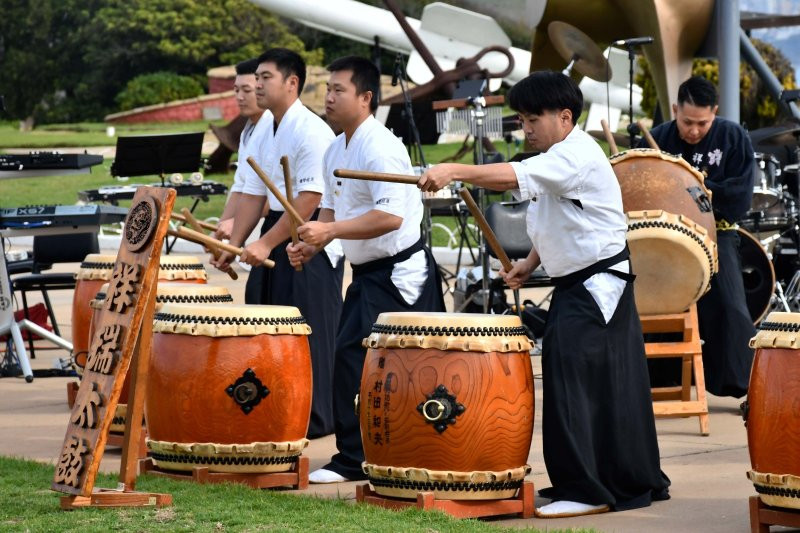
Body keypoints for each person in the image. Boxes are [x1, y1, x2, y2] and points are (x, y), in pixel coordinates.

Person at [417, 71, 669, 517]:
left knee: (574, 385)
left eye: (533, 118)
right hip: (581, 284)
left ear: (565, 116)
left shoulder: (574, 156)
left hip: (596, 285)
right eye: (521, 118)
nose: (525, 127)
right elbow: (558, 219)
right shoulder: (558, 154)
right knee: (589, 384)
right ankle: (593, 479)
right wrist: (529, 265)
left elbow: (514, 176)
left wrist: (454, 169)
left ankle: (588, 490)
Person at [287, 56, 445, 484]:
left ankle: (361, 457)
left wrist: (330, 229)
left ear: (366, 98)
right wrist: (309, 245)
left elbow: (389, 218)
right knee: (353, 360)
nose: (330, 98)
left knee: (382, 363)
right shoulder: (337, 148)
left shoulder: (380, 146)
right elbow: (332, 211)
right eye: (327, 90)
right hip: (368, 273)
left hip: (399, 274)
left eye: (339, 90)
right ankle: (358, 454)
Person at [211, 48, 344, 439]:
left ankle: (318, 417)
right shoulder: (266, 127)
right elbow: (252, 193)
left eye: (266, 77)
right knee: (265, 322)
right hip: (279, 228)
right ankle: (277, 406)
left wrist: (266, 243)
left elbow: (309, 199)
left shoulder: (310, 130)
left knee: (309, 331)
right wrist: (234, 245)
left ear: (292, 83)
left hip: (310, 238)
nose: (258, 84)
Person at [639, 76, 755, 399]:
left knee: (732, 307)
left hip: (717, 234)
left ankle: (740, 384)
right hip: (666, 237)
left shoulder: (732, 137)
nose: (693, 130)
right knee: (656, 305)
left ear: (715, 113)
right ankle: (660, 381)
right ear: (675, 109)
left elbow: (740, 196)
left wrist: (694, 189)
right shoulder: (658, 138)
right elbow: (642, 190)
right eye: (687, 121)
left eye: (702, 123)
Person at [214, 58, 272, 243]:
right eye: (236, 90)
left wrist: (236, 223)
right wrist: (220, 233)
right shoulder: (248, 130)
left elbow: (277, 193)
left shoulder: (276, 128)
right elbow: (240, 186)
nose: (239, 97)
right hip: (253, 232)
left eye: (246, 90)